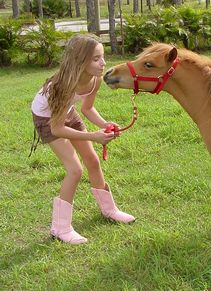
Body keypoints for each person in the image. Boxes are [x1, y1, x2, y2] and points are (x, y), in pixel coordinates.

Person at [30, 34, 135, 245]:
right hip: (47, 119)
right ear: (79, 61)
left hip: (65, 111)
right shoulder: (61, 86)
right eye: (96, 59)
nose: (103, 63)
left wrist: (104, 124)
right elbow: (57, 128)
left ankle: (109, 210)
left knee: (93, 161)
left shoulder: (94, 79)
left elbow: (87, 108)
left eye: (102, 56)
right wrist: (93, 136)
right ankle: (60, 228)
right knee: (75, 170)